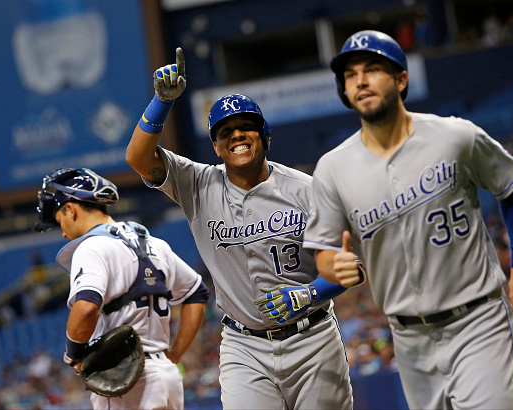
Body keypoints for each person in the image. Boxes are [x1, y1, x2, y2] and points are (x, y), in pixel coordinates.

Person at [303, 30, 513, 409]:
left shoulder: (454, 136)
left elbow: (511, 184)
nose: (360, 80)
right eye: (350, 75)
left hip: (477, 320)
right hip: (408, 337)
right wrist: (334, 267)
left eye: (372, 69)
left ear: (401, 79)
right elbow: (325, 254)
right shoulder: (332, 168)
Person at [126, 48, 354, 409]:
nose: (237, 135)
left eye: (246, 126)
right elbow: (138, 159)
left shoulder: (306, 189)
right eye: (226, 131)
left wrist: (309, 294)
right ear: (216, 146)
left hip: (312, 340)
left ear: (263, 135)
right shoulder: (198, 184)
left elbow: (349, 266)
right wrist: (161, 102)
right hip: (244, 346)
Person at [34, 167, 209, 410]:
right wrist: (176, 353)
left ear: (71, 210)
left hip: (126, 380)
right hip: (167, 375)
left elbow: (85, 308)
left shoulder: (91, 247)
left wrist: (73, 354)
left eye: (60, 220)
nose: (63, 233)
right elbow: (197, 293)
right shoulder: (154, 244)